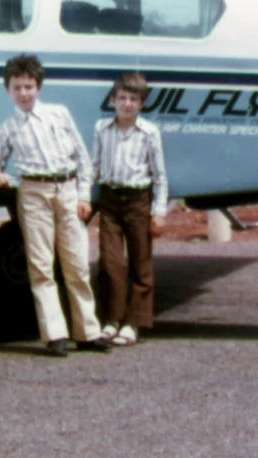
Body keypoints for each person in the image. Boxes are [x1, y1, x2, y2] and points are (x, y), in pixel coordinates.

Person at [0, 54, 111, 357]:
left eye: (28, 86)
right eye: (17, 87)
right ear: (7, 91)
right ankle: (55, 334)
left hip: (67, 189)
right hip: (33, 193)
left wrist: (83, 196)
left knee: (77, 264)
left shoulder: (59, 114)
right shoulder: (8, 128)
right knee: (41, 266)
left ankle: (88, 332)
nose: (24, 93)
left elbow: (83, 158)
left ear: (38, 87)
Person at [92, 72, 168, 346]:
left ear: (142, 104)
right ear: (112, 100)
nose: (126, 104)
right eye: (121, 98)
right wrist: (80, 195)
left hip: (138, 202)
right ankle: (112, 319)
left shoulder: (149, 133)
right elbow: (94, 167)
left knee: (140, 263)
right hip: (110, 201)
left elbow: (159, 176)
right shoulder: (102, 129)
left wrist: (158, 212)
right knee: (110, 263)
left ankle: (133, 323)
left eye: (133, 99)